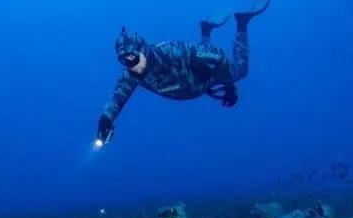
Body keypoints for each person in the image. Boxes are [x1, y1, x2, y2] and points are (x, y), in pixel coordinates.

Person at [95, 0, 271, 145]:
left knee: (241, 70)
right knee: (203, 58)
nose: (131, 65)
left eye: (133, 58)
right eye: (124, 61)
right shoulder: (131, 74)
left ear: (142, 49)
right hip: (195, 86)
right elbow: (117, 98)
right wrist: (106, 119)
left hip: (208, 77)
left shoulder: (170, 51)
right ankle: (206, 30)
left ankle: (241, 23)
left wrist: (229, 85)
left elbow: (217, 56)